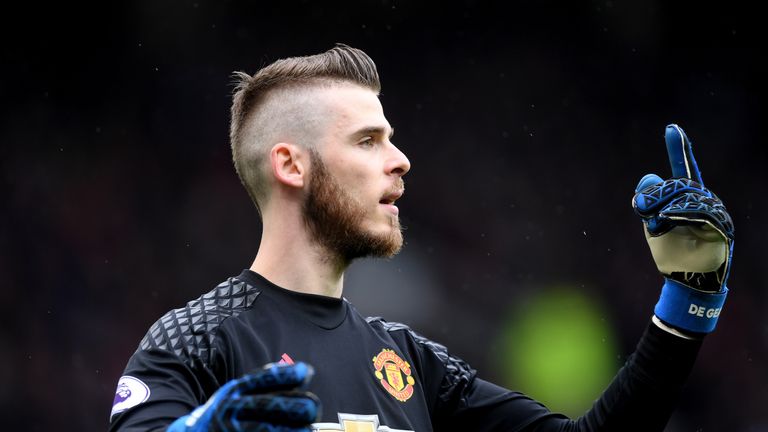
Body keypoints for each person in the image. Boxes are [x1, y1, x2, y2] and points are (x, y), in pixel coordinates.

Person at [108, 44, 734, 431]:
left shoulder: (409, 363)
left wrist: (689, 295)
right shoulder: (194, 341)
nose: (401, 159)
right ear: (291, 165)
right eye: (368, 140)